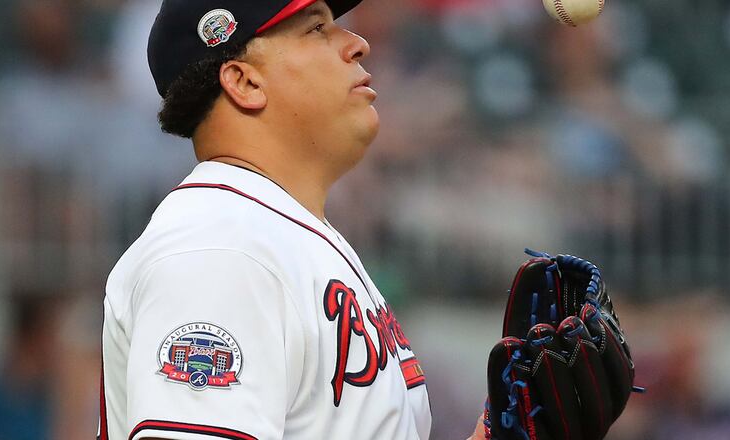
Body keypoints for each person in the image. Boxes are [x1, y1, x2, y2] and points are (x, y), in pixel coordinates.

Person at [99, 0, 487, 438]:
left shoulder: (273, 232)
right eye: (317, 29)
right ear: (245, 82)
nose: (357, 44)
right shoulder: (220, 247)